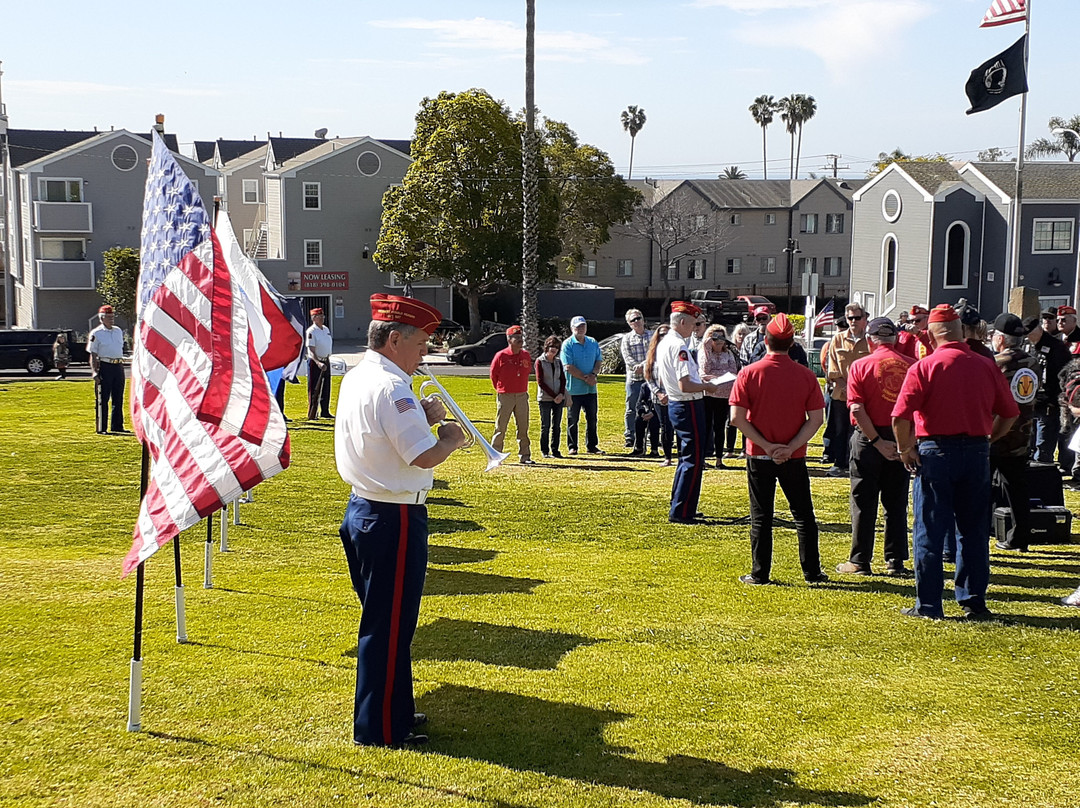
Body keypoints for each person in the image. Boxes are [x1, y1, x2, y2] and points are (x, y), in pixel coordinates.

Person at [335, 293, 468, 747]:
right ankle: (381, 728)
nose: (424, 355)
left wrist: (426, 418)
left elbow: (389, 438)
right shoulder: (392, 387)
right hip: (392, 516)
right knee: (388, 625)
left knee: (390, 622)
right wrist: (449, 436)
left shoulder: (362, 376)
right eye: (420, 346)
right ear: (395, 340)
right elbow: (423, 454)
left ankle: (397, 709)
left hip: (367, 509)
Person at [892, 304, 1019, 620]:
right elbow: (1010, 413)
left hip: (935, 451)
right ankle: (974, 602)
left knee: (930, 530)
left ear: (932, 336)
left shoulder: (924, 367)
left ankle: (930, 605)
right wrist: (989, 438)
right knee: (973, 532)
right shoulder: (986, 365)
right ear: (962, 332)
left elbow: (900, 416)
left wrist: (905, 449)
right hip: (976, 451)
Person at [730, 313, 828, 586]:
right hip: (793, 456)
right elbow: (817, 419)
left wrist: (767, 446)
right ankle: (812, 572)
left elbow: (737, 418)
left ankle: (760, 573)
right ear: (792, 342)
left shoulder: (749, 373)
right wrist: (790, 447)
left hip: (759, 455)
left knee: (761, 516)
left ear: (765, 341)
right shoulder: (806, 375)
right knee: (803, 515)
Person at [837, 317, 915, 577]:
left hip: (869, 438)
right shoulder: (913, 367)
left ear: (870, 341)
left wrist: (876, 441)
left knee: (863, 500)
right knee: (896, 501)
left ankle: (860, 560)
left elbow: (857, 408)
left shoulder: (860, 365)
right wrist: (906, 444)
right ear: (895, 339)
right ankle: (895, 560)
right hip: (902, 436)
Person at [654, 301, 717, 523]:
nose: (695, 328)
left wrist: (700, 381)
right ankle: (682, 510)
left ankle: (681, 503)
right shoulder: (679, 346)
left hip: (677, 403)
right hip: (688, 403)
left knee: (685, 458)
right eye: (694, 323)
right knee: (694, 458)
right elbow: (685, 385)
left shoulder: (665, 343)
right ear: (682, 322)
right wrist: (707, 386)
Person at [990, 313, 1040, 553]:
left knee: (982, 488)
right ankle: (1020, 537)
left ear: (1000, 339)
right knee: (1017, 489)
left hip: (995, 433)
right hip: (1022, 434)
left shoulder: (996, 363)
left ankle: (980, 531)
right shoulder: (1033, 363)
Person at [824, 303, 870, 477]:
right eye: (850, 318)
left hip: (864, 396)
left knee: (860, 431)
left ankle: (858, 464)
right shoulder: (837, 339)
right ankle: (839, 464)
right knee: (840, 431)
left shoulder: (871, 340)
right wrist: (846, 387)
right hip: (841, 394)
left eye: (857, 318)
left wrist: (858, 391)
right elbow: (832, 369)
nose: (853, 321)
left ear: (864, 319)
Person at [1024, 314, 1069, 463]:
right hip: (1031, 401)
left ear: (1037, 329)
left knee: (1043, 445)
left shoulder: (1056, 347)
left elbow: (1063, 375)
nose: (1028, 337)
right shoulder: (1028, 346)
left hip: (1049, 402)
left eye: (1029, 333)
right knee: (1029, 443)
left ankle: (1042, 474)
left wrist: (1055, 399)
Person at [490, 325, 533, 465]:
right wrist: (501, 389)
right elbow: (493, 375)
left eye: (521, 337)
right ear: (509, 339)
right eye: (517, 338)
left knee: (523, 427)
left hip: (521, 395)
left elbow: (527, 371)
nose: (520, 340)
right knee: (500, 427)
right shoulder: (501, 356)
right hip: (505, 395)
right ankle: (495, 455)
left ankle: (525, 455)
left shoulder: (525, 355)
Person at [560, 315, 603, 455]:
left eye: (583, 326)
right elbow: (568, 366)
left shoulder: (592, 342)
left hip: (590, 389)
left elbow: (598, 361)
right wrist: (586, 378)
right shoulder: (567, 344)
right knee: (573, 419)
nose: (581, 329)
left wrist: (594, 375)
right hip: (574, 389)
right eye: (578, 327)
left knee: (592, 418)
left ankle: (592, 446)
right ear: (572, 328)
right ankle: (572, 446)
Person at [699, 325, 738, 468]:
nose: (719, 341)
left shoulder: (728, 353)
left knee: (720, 427)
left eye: (722, 337)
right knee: (706, 426)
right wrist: (707, 349)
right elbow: (705, 371)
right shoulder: (704, 352)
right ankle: (702, 458)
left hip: (725, 394)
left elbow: (732, 370)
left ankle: (719, 459)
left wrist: (717, 374)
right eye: (715, 338)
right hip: (709, 394)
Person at [87, 304, 127, 434]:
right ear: (101, 318)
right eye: (108, 317)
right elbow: (93, 353)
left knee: (118, 397)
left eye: (112, 316)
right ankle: (102, 427)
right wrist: (94, 371)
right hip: (105, 365)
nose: (111, 319)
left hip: (118, 366)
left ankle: (117, 425)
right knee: (103, 398)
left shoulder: (118, 331)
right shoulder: (96, 333)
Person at [644, 324, 676, 466]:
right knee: (665, 427)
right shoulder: (652, 355)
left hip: (674, 396)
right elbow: (649, 377)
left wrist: (670, 394)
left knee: (677, 426)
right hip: (658, 397)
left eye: (667, 334)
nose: (664, 337)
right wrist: (659, 393)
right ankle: (667, 457)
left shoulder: (676, 351)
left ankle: (681, 456)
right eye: (662, 334)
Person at [620, 308, 651, 451]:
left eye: (639, 318)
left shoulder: (652, 336)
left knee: (651, 408)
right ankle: (630, 436)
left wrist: (643, 365)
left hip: (650, 378)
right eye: (633, 320)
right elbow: (627, 358)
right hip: (634, 379)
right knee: (631, 408)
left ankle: (651, 436)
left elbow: (654, 354)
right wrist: (636, 367)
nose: (637, 321)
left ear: (644, 319)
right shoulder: (626, 339)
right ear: (629, 323)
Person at [535, 335, 567, 459]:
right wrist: (554, 395)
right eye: (552, 347)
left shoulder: (559, 362)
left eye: (557, 347)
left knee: (557, 425)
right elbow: (540, 382)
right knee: (545, 425)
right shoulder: (540, 361)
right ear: (547, 347)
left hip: (559, 398)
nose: (554, 349)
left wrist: (560, 394)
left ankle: (556, 450)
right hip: (545, 398)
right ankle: (545, 450)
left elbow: (563, 379)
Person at [306, 307, 334, 420]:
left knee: (326, 387)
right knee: (314, 388)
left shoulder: (326, 329)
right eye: (320, 316)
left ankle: (325, 411)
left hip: (326, 359)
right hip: (315, 362)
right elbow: (311, 350)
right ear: (314, 318)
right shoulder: (311, 331)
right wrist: (318, 362)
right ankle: (312, 412)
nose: (322, 318)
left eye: (323, 316)